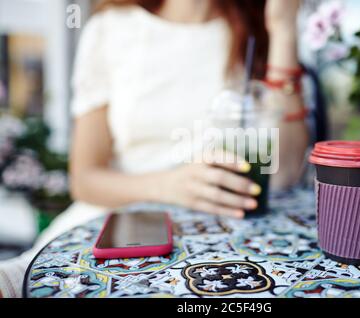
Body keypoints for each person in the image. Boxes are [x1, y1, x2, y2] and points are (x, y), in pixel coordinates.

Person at [0, 0, 308, 298]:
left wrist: (283, 29)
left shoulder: (259, 31)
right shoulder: (110, 28)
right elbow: (85, 180)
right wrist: (170, 185)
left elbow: (284, 175)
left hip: (229, 238)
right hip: (110, 222)